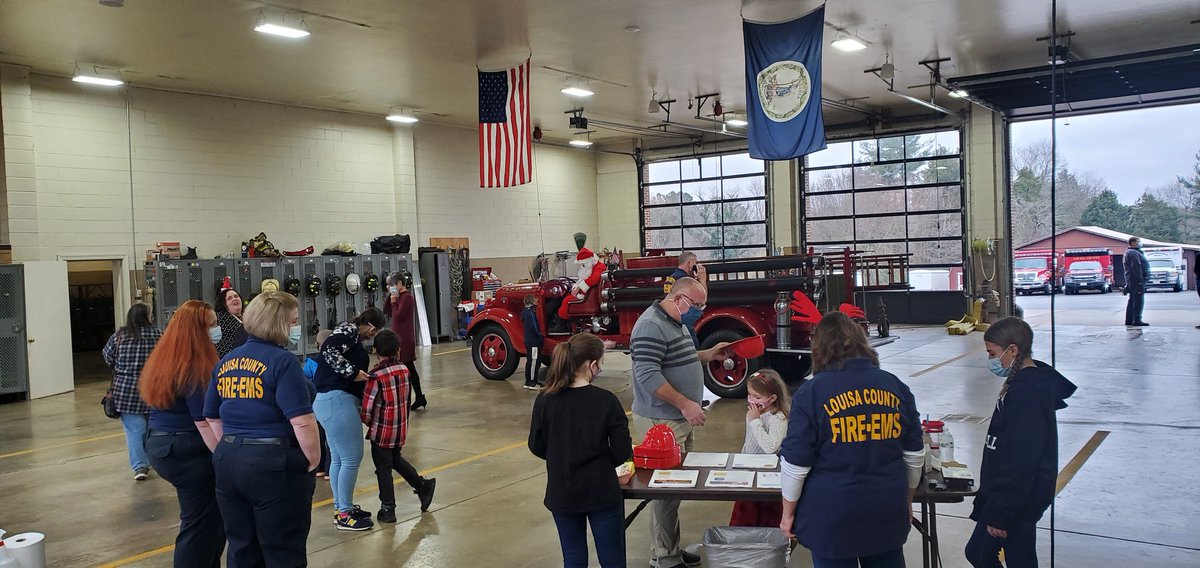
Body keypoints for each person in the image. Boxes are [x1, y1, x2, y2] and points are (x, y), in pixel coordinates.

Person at [779, 311, 925, 568]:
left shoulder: (811, 393)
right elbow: (914, 456)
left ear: (818, 347)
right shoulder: (895, 386)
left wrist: (787, 514)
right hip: (885, 509)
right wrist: (906, 501)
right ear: (861, 342)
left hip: (831, 515)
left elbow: (796, 465)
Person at [203, 291, 321, 567]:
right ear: (278, 324)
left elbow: (211, 416)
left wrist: (234, 446)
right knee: (282, 548)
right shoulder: (284, 363)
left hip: (229, 460)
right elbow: (301, 420)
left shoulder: (227, 361)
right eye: (292, 321)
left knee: (242, 546)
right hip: (273, 462)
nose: (296, 327)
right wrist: (313, 459)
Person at [630, 276, 729, 568]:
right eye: (696, 305)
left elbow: (678, 358)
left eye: (702, 305)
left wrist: (707, 354)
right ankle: (664, 557)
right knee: (664, 491)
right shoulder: (651, 326)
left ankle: (668, 549)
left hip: (676, 419)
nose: (699, 310)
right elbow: (648, 376)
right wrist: (685, 404)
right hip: (661, 421)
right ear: (677, 299)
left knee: (675, 490)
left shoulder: (676, 323)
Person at [965, 317, 1077, 568]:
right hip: (1009, 498)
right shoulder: (1021, 385)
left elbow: (1021, 461)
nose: (991, 361)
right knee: (1003, 556)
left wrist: (1001, 514)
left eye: (992, 354)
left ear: (1013, 350)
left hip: (1015, 502)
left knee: (982, 553)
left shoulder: (1027, 395)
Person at [529, 333, 633, 568]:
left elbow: (536, 445)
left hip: (562, 490)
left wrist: (562, 454)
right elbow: (621, 451)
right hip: (601, 491)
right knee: (612, 559)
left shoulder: (545, 400)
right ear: (592, 364)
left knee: (573, 557)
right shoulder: (606, 401)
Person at [139, 300, 225, 568]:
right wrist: (226, 455)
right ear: (198, 331)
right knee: (200, 523)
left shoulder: (166, 354)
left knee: (209, 520)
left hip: (162, 442)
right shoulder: (194, 365)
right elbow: (204, 421)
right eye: (212, 325)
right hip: (186, 448)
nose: (217, 329)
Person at [313, 307, 385, 531]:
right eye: (374, 332)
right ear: (371, 327)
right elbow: (327, 348)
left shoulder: (349, 335)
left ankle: (342, 507)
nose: (371, 336)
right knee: (352, 457)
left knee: (339, 459)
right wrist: (352, 372)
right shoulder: (348, 331)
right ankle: (344, 513)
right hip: (337, 400)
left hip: (329, 401)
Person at [361, 329, 437, 523]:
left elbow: (367, 408)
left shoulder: (375, 375)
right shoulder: (404, 369)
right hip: (400, 428)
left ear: (375, 350)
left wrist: (367, 421)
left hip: (382, 431)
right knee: (394, 459)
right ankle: (422, 485)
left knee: (383, 469)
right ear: (399, 350)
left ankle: (388, 508)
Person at [102, 303, 163, 481]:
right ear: (147, 316)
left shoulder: (119, 336)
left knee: (134, 430)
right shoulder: (158, 334)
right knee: (153, 427)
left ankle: (140, 467)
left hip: (125, 390)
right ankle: (154, 460)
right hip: (153, 387)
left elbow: (107, 357)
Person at [729, 369, 789, 528]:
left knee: (767, 519)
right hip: (747, 470)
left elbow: (771, 447)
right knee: (744, 517)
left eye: (757, 397)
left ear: (773, 398)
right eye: (749, 395)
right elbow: (749, 441)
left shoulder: (779, 418)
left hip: (767, 476)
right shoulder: (752, 413)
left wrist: (756, 422)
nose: (751, 400)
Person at [385, 271, 427, 410]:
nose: (390, 287)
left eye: (392, 284)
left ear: (399, 283)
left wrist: (395, 302)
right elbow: (386, 311)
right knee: (407, 369)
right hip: (397, 337)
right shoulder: (397, 297)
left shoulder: (407, 297)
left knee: (408, 368)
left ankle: (416, 397)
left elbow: (398, 315)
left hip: (405, 338)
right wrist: (390, 298)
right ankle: (419, 397)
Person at [1123, 236, 1150, 327]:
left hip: (1132, 280)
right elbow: (1136, 267)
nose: (1140, 243)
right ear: (1133, 243)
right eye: (1138, 241)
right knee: (1138, 300)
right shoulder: (1133, 253)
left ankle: (1130, 320)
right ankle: (1137, 319)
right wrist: (1140, 281)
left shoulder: (1132, 252)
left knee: (1133, 299)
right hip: (1135, 280)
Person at [214, 288, 248, 357]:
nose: (235, 299)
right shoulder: (222, 321)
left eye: (236, 296)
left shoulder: (249, 317)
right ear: (223, 305)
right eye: (229, 298)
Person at [521, 294, 545, 390]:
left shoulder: (525, 313)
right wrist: (540, 334)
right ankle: (530, 382)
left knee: (532, 361)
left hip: (530, 341)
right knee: (533, 362)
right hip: (534, 342)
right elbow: (534, 326)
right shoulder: (530, 313)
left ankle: (532, 380)